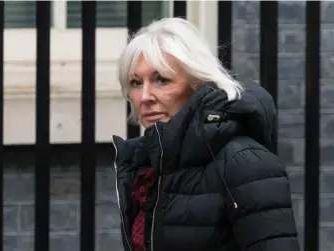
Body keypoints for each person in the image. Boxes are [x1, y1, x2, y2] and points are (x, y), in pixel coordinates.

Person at [112, 17, 300, 251]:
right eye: (136, 82)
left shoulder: (242, 161)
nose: (145, 97)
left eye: (162, 80)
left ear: (196, 83)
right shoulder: (146, 165)